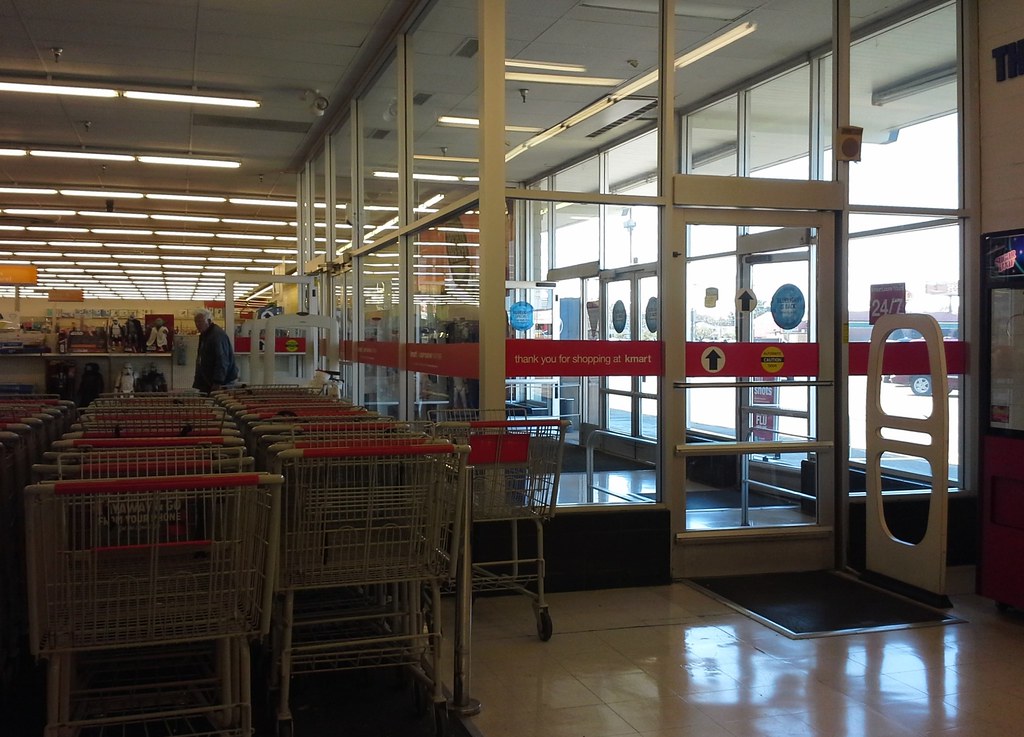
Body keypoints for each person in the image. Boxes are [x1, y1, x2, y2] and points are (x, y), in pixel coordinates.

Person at [192, 309, 239, 394]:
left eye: (200, 322)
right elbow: (201, 358)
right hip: (210, 380)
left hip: (222, 381)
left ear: (209, 321)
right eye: (196, 322)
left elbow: (222, 360)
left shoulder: (217, 336)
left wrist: (217, 382)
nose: (197, 325)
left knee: (220, 404)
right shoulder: (205, 335)